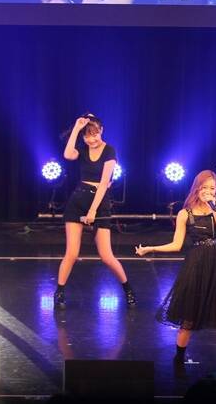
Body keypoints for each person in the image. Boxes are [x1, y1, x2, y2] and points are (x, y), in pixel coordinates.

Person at [135, 170, 216, 377]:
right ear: (197, 188)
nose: (209, 191)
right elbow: (176, 245)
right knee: (188, 319)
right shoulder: (185, 213)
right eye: (205, 187)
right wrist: (151, 248)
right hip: (196, 265)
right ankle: (178, 360)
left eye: (212, 188)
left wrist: (213, 208)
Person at [54, 113, 137, 309]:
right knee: (71, 253)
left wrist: (92, 211)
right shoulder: (82, 149)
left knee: (106, 256)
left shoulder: (109, 151)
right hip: (78, 199)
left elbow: (104, 183)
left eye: (95, 134)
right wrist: (77, 128)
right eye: (87, 136)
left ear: (101, 131)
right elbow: (68, 155)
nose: (91, 139)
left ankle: (128, 289)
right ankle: (59, 292)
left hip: (99, 202)